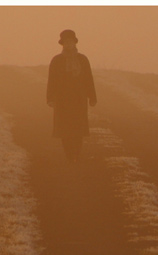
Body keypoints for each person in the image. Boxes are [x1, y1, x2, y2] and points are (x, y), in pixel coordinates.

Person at [47, 29, 97, 162]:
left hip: (79, 99)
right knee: (64, 129)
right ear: (62, 44)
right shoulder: (56, 60)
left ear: (75, 43)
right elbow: (51, 80)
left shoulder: (83, 59)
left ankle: (76, 154)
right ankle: (69, 155)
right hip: (62, 99)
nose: (68, 45)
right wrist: (50, 98)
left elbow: (89, 79)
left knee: (78, 129)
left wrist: (92, 97)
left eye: (70, 42)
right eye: (66, 42)